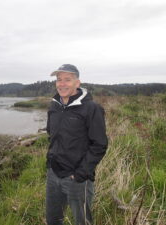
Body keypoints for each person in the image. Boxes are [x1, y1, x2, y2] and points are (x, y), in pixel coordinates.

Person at [46, 64, 108, 225]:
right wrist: (50, 162)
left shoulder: (91, 108)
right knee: (53, 220)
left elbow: (99, 144)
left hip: (77, 178)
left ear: (77, 83)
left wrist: (80, 174)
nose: (62, 83)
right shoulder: (54, 106)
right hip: (53, 174)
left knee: (82, 221)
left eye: (68, 79)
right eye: (59, 80)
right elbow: (51, 135)